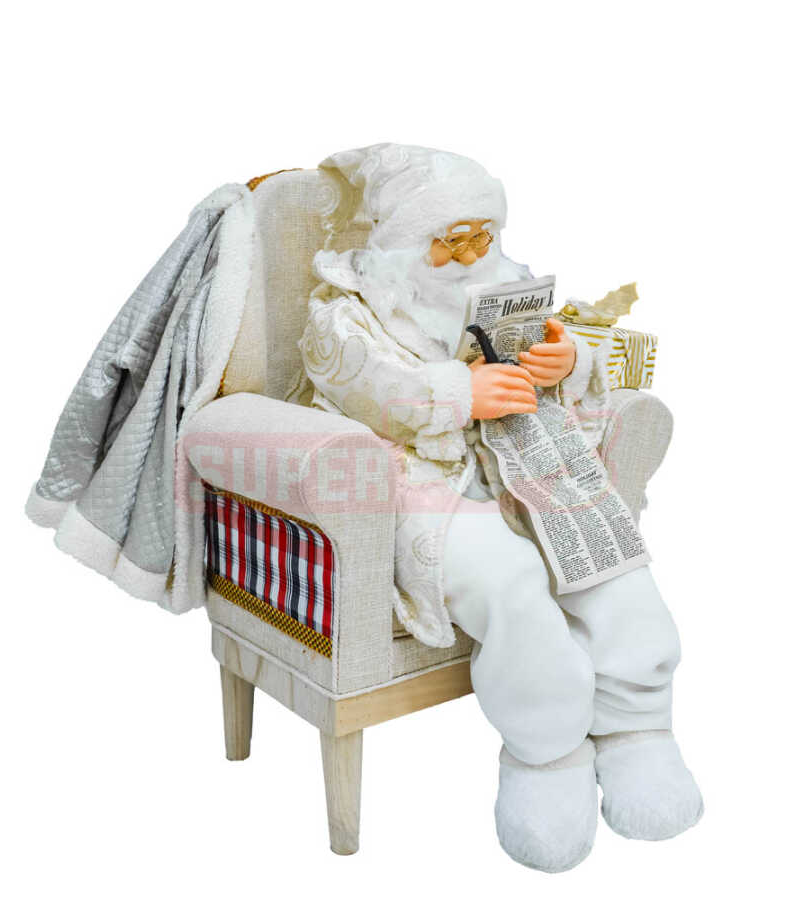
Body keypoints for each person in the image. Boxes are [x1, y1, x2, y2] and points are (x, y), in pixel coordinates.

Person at [295, 143, 703, 872]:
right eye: (450, 239)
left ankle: (638, 726)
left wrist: (567, 360)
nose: (472, 253)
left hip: (523, 459)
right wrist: (459, 393)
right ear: (401, 241)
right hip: (421, 479)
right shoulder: (342, 312)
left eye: (484, 235)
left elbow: (584, 349)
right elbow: (360, 384)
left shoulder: (503, 288)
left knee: (611, 556)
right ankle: (547, 751)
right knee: (507, 579)